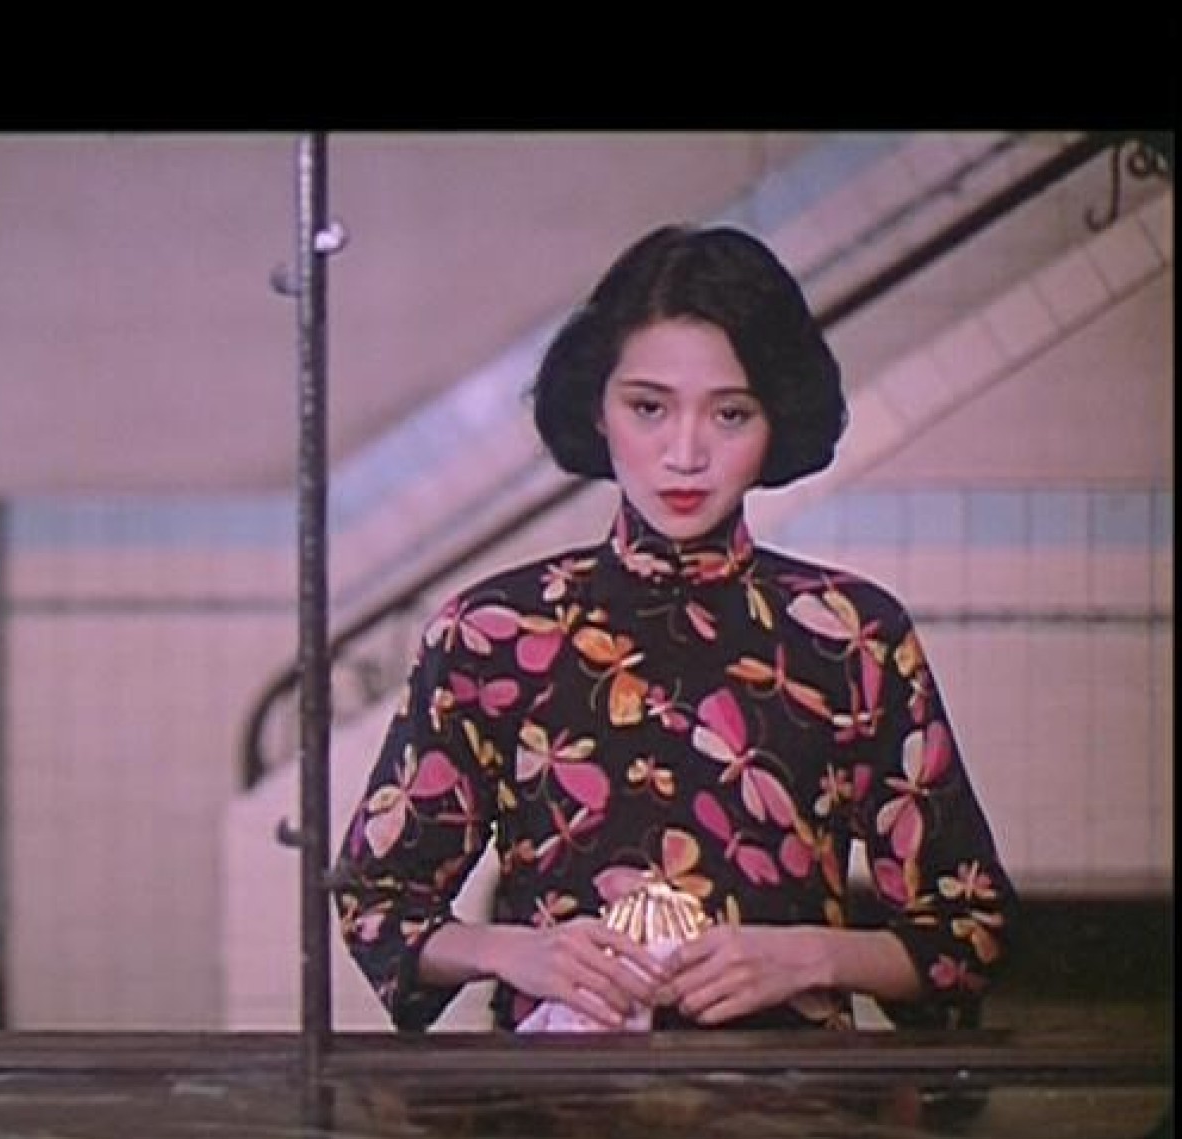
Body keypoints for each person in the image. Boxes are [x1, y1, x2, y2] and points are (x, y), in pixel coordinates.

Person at [331, 222, 1017, 1034]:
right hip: (551, 1095)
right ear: (597, 409)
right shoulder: (493, 633)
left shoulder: (851, 636)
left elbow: (969, 928)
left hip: (798, 1092)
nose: (685, 453)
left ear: (776, 420)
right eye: (648, 407)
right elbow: (377, 900)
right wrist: (516, 953)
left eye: (731, 414)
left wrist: (812, 955)